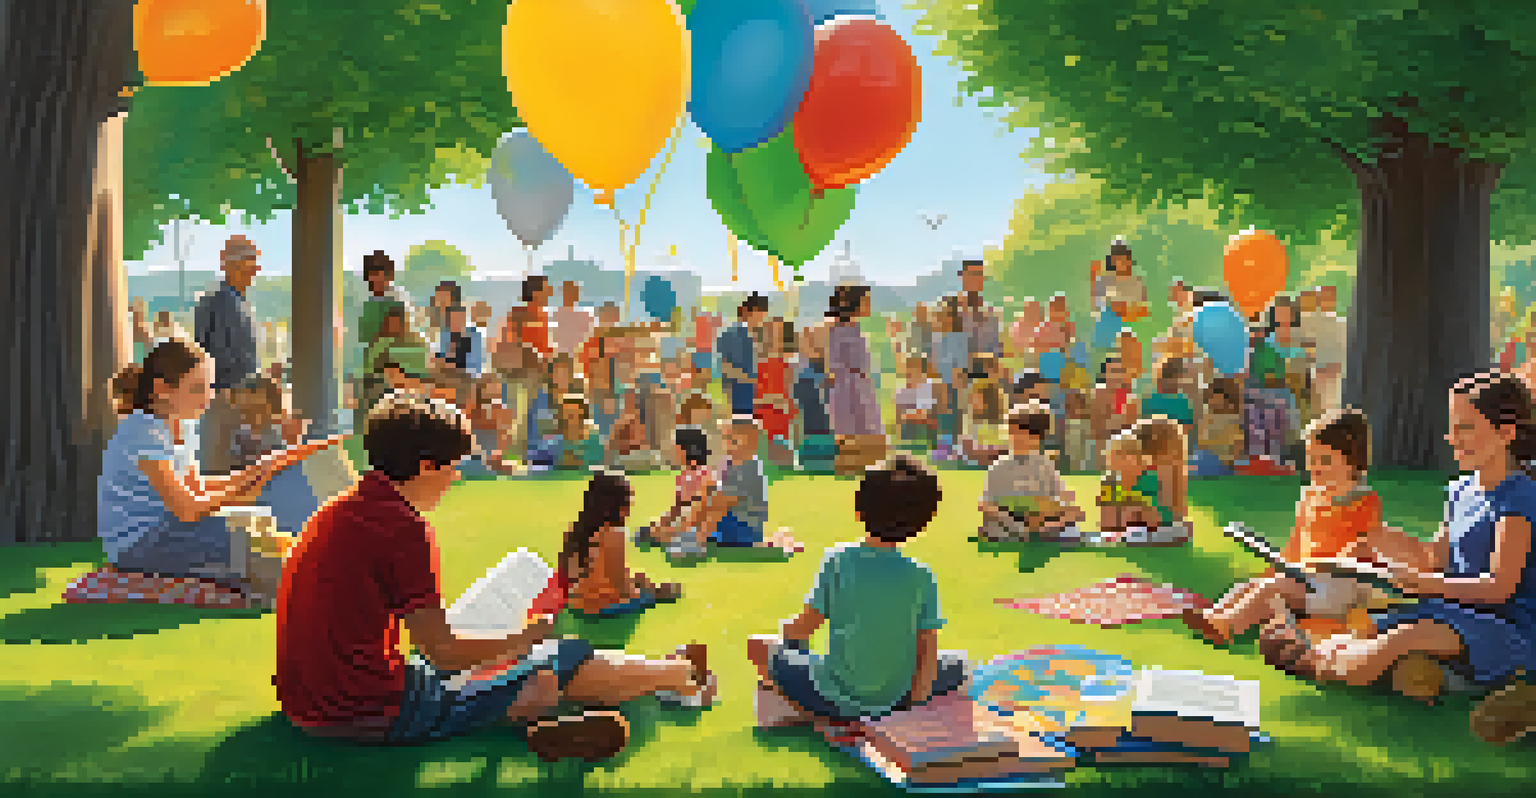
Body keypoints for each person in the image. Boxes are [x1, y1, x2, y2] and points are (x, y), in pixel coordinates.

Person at [273, 395, 718, 755]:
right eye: (453, 467)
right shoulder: (402, 527)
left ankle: (533, 710)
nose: (454, 480)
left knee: (522, 665)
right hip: (370, 707)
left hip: (310, 700)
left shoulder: (340, 508)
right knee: (558, 657)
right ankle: (678, 676)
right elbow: (443, 651)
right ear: (427, 466)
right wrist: (526, 639)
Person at [1297, 373, 1536, 744]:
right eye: (1452, 427)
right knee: (1371, 626)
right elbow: (1432, 558)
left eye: (1466, 428)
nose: (1452, 437)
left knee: (1405, 636)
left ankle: (1315, 663)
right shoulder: (1461, 491)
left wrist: (1423, 583)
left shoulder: (1517, 500)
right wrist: (1380, 539)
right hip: (1453, 609)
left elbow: (1499, 588)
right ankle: (1421, 674)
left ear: (1506, 434)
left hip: (1505, 626)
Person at [746, 456, 969, 741]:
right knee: (960, 665)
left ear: (859, 508)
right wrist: (914, 710)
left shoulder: (838, 561)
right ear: (922, 522)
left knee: (759, 646)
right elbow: (927, 651)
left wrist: (788, 635)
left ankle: (798, 708)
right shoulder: (922, 576)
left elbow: (804, 628)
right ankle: (844, 712)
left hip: (834, 696)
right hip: (895, 699)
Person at [1185, 409, 1386, 658]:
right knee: (1251, 585)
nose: (1315, 468)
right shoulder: (1310, 494)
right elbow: (1297, 540)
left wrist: (1327, 565)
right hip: (1305, 580)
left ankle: (1226, 627)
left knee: (1271, 588)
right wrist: (1279, 566)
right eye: (1311, 459)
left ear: (1352, 461)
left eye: (1325, 461)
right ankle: (1214, 616)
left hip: (1338, 587)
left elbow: (1366, 548)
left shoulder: (1363, 500)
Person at [99, 339, 285, 600]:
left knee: (255, 521)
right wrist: (243, 490)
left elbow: (195, 487)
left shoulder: (184, 425)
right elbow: (186, 508)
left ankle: (268, 582)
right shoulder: (144, 430)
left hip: (169, 530)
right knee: (241, 538)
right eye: (197, 389)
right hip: (138, 543)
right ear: (162, 389)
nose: (208, 397)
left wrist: (252, 474)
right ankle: (274, 589)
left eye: (209, 387)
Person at [563, 470, 682, 618]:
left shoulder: (577, 528)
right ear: (618, 504)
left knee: (640, 578)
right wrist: (650, 594)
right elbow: (620, 585)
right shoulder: (613, 533)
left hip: (575, 600)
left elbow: (582, 571)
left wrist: (635, 580)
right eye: (628, 499)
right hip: (599, 607)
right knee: (668, 591)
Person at [194, 235, 264, 475]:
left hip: (239, 397)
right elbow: (208, 352)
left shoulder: (239, 301)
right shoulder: (217, 301)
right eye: (249, 263)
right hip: (225, 396)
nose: (254, 270)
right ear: (231, 264)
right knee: (220, 465)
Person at [979, 401, 1085, 543]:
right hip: (1010, 521)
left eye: (1021, 432)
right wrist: (1016, 524)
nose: (1015, 437)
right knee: (992, 522)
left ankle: (1041, 531)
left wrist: (1053, 515)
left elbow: (1065, 501)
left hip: (1041, 520)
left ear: (1037, 437)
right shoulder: (1000, 466)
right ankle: (1028, 533)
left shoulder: (1045, 465)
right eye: (1012, 432)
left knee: (1071, 517)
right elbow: (987, 504)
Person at [637, 426, 720, 560]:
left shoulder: (704, 474)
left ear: (689, 449)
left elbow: (702, 510)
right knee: (649, 531)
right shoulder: (683, 475)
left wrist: (670, 529)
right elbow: (676, 509)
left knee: (658, 534)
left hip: (702, 524)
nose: (673, 452)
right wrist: (660, 523)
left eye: (676, 448)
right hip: (686, 522)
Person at [827, 285, 885, 476]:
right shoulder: (838, 329)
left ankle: (870, 465)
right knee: (850, 426)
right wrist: (853, 375)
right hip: (848, 386)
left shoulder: (856, 327)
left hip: (861, 385)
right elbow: (835, 362)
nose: (868, 305)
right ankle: (851, 465)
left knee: (868, 426)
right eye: (865, 301)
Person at [754, 318, 798, 465]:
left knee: (780, 460)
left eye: (776, 333)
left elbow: (790, 395)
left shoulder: (789, 365)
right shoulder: (758, 365)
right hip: (763, 421)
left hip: (783, 422)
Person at [719, 293, 768, 416]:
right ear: (747, 312)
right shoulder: (732, 335)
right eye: (760, 313)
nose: (762, 319)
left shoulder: (763, 337)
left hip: (760, 402)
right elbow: (724, 367)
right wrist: (750, 380)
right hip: (739, 400)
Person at [357, 251, 417, 348]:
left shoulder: (396, 298)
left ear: (389, 275)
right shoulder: (370, 303)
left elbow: (396, 333)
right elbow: (366, 336)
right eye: (370, 274)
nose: (372, 279)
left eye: (377, 274)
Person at [431, 304, 486, 406]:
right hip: (447, 378)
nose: (455, 323)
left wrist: (452, 366)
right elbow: (442, 357)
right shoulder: (446, 336)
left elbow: (474, 368)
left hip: (465, 381)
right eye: (452, 320)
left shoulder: (472, 336)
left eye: (459, 319)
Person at [1192, 376, 1244, 478]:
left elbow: (1237, 442)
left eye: (1214, 397)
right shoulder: (1207, 416)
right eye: (1209, 398)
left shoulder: (1232, 418)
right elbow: (1201, 440)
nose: (1211, 401)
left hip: (1222, 462)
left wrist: (1233, 460)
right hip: (1206, 459)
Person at [894, 356, 939, 454]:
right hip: (907, 439)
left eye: (914, 370)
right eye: (908, 371)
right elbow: (898, 420)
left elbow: (925, 415)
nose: (910, 374)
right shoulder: (902, 392)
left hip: (925, 437)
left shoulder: (929, 388)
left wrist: (906, 415)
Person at [550, 280, 596, 359]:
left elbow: (589, 337)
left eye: (571, 294)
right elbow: (552, 337)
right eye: (566, 294)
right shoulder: (555, 314)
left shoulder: (585, 316)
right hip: (559, 356)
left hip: (578, 356)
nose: (568, 297)